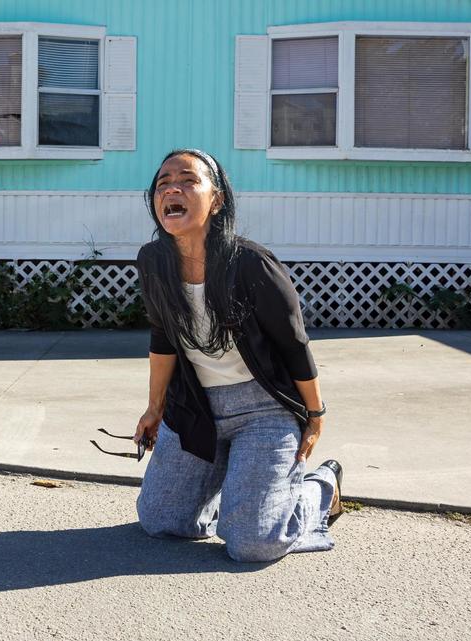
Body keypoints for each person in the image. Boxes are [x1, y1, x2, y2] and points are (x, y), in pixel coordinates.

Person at [132, 148, 343, 563]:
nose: (172, 188)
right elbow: (163, 339)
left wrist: (315, 416)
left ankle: (319, 489)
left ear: (217, 200)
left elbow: (294, 345)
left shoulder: (251, 263)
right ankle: (244, 486)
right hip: (196, 409)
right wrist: (154, 409)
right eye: (163, 182)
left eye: (188, 180)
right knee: (160, 520)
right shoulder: (153, 261)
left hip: (264, 411)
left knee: (253, 542)